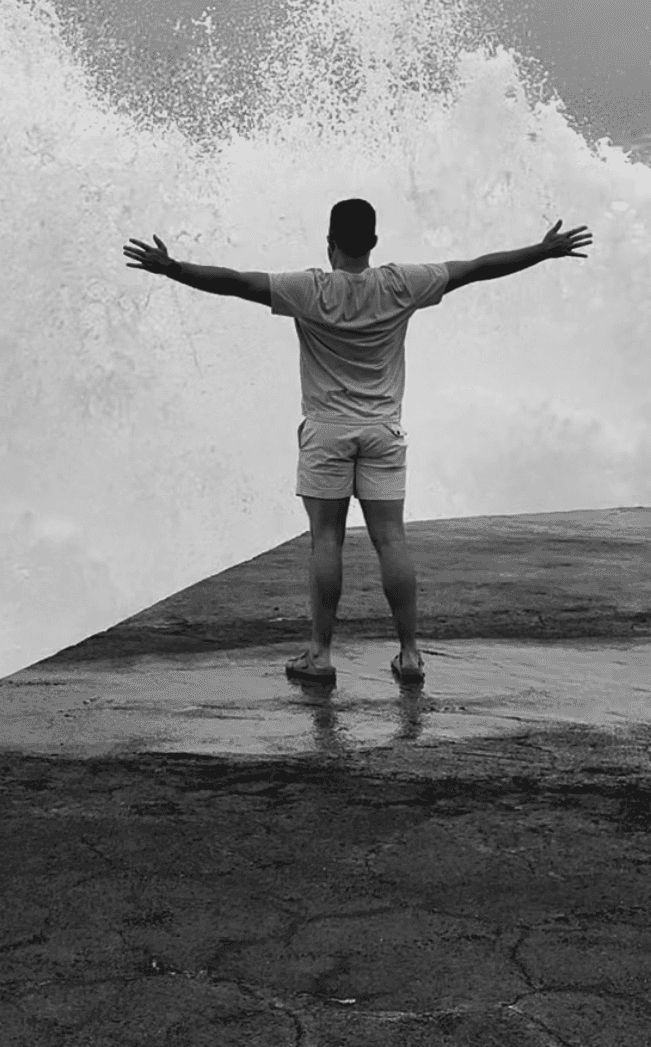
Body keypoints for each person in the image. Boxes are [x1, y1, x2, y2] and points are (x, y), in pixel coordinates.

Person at [123, 199, 593, 689]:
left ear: (330, 244)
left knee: (326, 540)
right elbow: (476, 268)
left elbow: (235, 282)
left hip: (326, 431)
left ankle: (321, 654)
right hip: (383, 432)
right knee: (391, 539)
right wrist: (542, 252)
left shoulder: (308, 288)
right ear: (372, 243)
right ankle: (410, 655)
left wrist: (173, 269)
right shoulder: (402, 283)